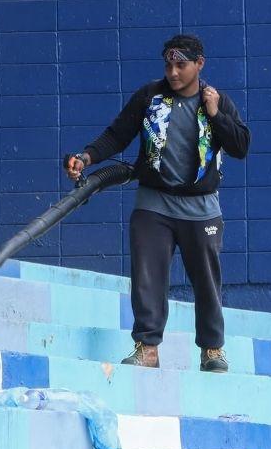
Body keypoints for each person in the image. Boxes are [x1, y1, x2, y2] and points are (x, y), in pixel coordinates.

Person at [64, 33, 251, 373]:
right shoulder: (150, 96)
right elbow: (117, 134)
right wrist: (87, 156)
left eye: (181, 65)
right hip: (154, 205)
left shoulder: (216, 100)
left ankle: (212, 349)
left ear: (199, 64)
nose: (174, 72)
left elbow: (240, 146)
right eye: (169, 65)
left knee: (207, 281)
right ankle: (147, 348)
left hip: (201, 209)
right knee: (147, 277)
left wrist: (216, 114)